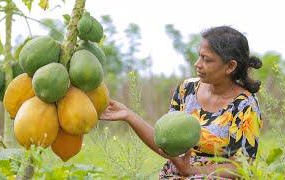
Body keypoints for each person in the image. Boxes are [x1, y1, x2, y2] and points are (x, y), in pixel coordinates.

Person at [100, 26, 263, 179]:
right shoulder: (187, 90)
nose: (197, 64)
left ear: (230, 66)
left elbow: (243, 166)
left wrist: (191, 170)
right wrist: (129, 115)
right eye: (199, 56)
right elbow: (165, 141)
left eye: (207, 60)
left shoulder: (244, 105)